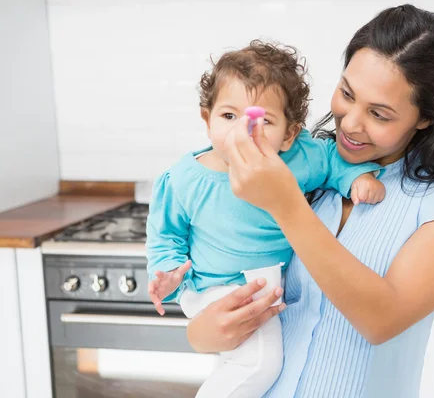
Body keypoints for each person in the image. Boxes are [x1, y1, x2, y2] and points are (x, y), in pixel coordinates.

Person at [184, 4, 434, 398]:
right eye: (346, 94)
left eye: (379, 113)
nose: (350, 122)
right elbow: (227, 284)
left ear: (425, 117)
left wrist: (285, 205)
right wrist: (202, 332)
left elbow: (381, 319)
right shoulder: (308, 165)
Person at [145, 40, 386, 398]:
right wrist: (166, 275)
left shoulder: (300, 158)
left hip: (265, 285)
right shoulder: (184, 178)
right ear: (206, 118)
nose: (243, 131)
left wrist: (356, 180)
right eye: (229, 116)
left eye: (262, 120)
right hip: (213, 287)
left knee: (244, 365)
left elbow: (335, 162)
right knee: (259, 364)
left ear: (289, 134)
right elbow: (165, 236)